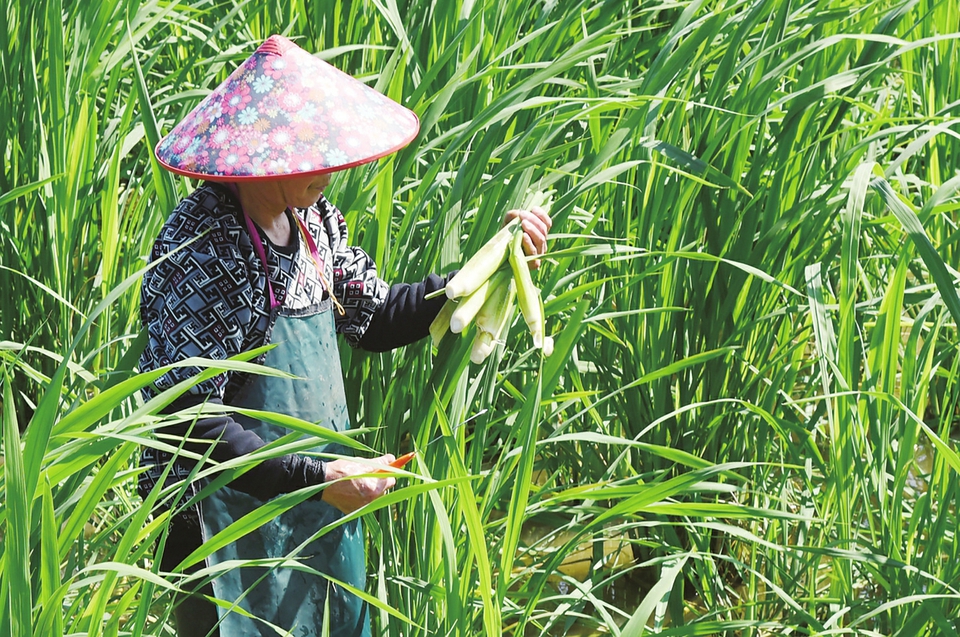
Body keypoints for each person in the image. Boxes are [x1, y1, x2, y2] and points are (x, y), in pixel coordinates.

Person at [137, 35, 551, 637]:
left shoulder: (312, 221)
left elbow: (375, 316)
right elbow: (188, 416)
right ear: (261, 154)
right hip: (219, 522)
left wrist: (492, 263)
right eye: (309, 153)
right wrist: (318, 480)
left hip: (311, 505)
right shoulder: (204, 244)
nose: (329, 170)